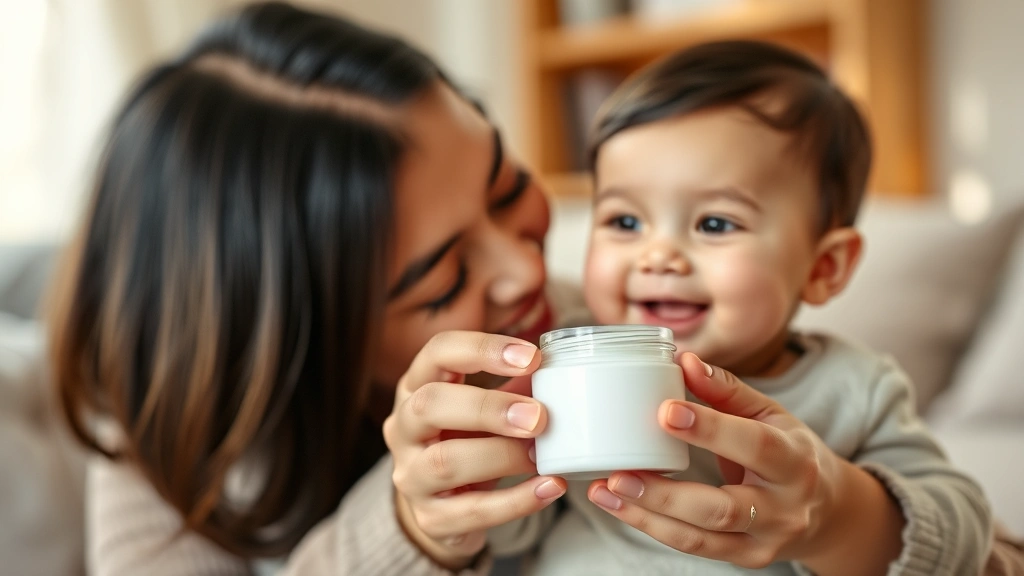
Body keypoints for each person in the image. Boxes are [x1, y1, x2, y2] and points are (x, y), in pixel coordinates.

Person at [48, 3, 568, 574]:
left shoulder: (598, 320)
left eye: (507, 187)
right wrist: (411, 534)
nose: (527, 271)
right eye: (446, 281)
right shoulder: (164, 448)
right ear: (303, 342)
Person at [486, 41, 993, 575]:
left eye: (715, 224)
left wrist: (841, 517)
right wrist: (482, 468)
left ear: (824, 268)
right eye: (625, 222)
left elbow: (963, 533)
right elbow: (501, 532)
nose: (657, 256)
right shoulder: (565, 362)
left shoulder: (853, 387)